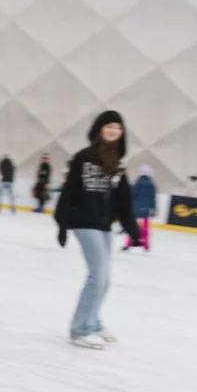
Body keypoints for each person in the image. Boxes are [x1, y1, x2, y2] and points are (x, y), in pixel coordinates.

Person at [54, 111, 140, 350]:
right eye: (109, 126)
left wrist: (132, 228)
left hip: (104, 225)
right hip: (84, 222)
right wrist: (62, 224)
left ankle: (93, 321)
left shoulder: (118, 164)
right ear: (100, 129)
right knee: (98, 276)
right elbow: (69, 192)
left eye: (118, 127)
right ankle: (80, 329)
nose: (113, 130)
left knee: (105, 279)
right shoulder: (83, 158)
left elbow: (123, 201)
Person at [124, 165, 156, 251]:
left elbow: (133, 196)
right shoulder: (152, 184)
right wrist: (153, 209)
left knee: (133, 226)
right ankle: (146, 245)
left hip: (135, 209)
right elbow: (153, 198)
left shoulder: (137, 183)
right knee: (145, 227)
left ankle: (129, 244)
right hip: (146, 210)